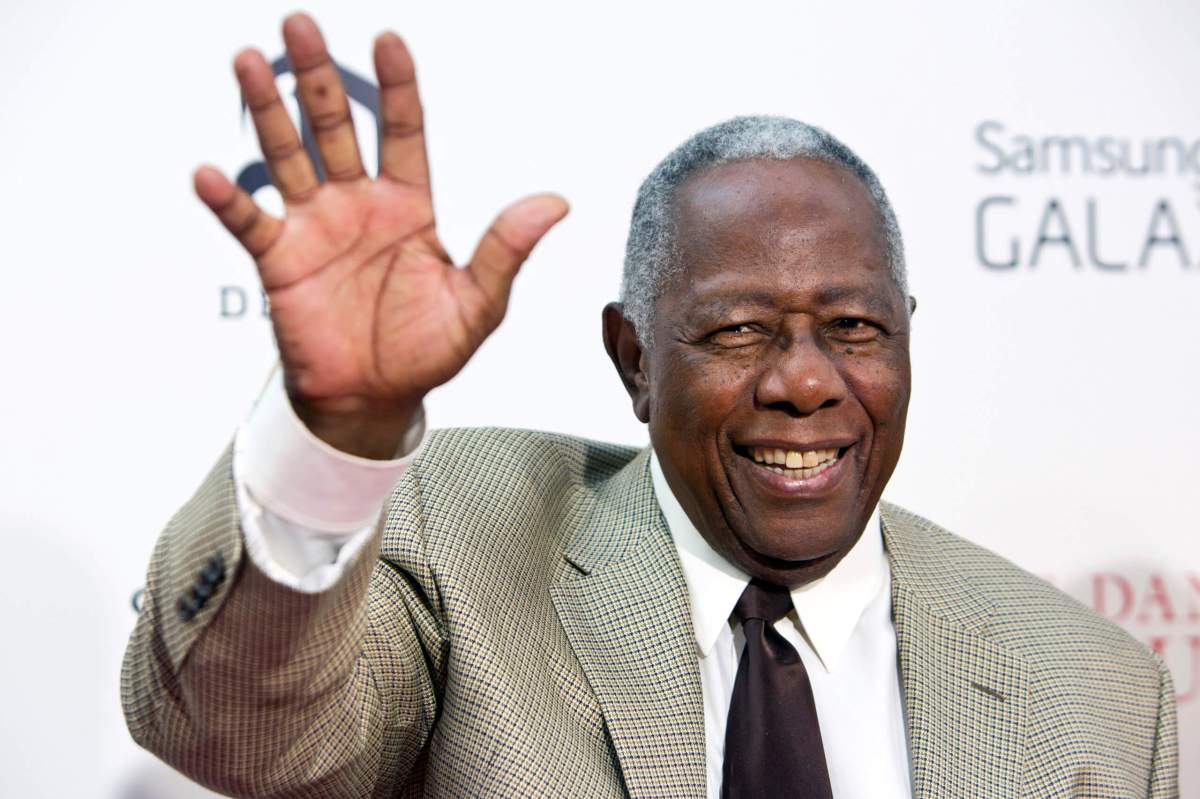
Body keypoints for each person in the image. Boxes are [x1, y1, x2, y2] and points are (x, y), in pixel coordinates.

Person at [121, 13, 1178, 799]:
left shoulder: (1099, 697)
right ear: (632, 357)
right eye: (737, 330)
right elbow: (230, 730)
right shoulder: (461, 539)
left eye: (855, 328)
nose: (806, 381)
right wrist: (340, 424)